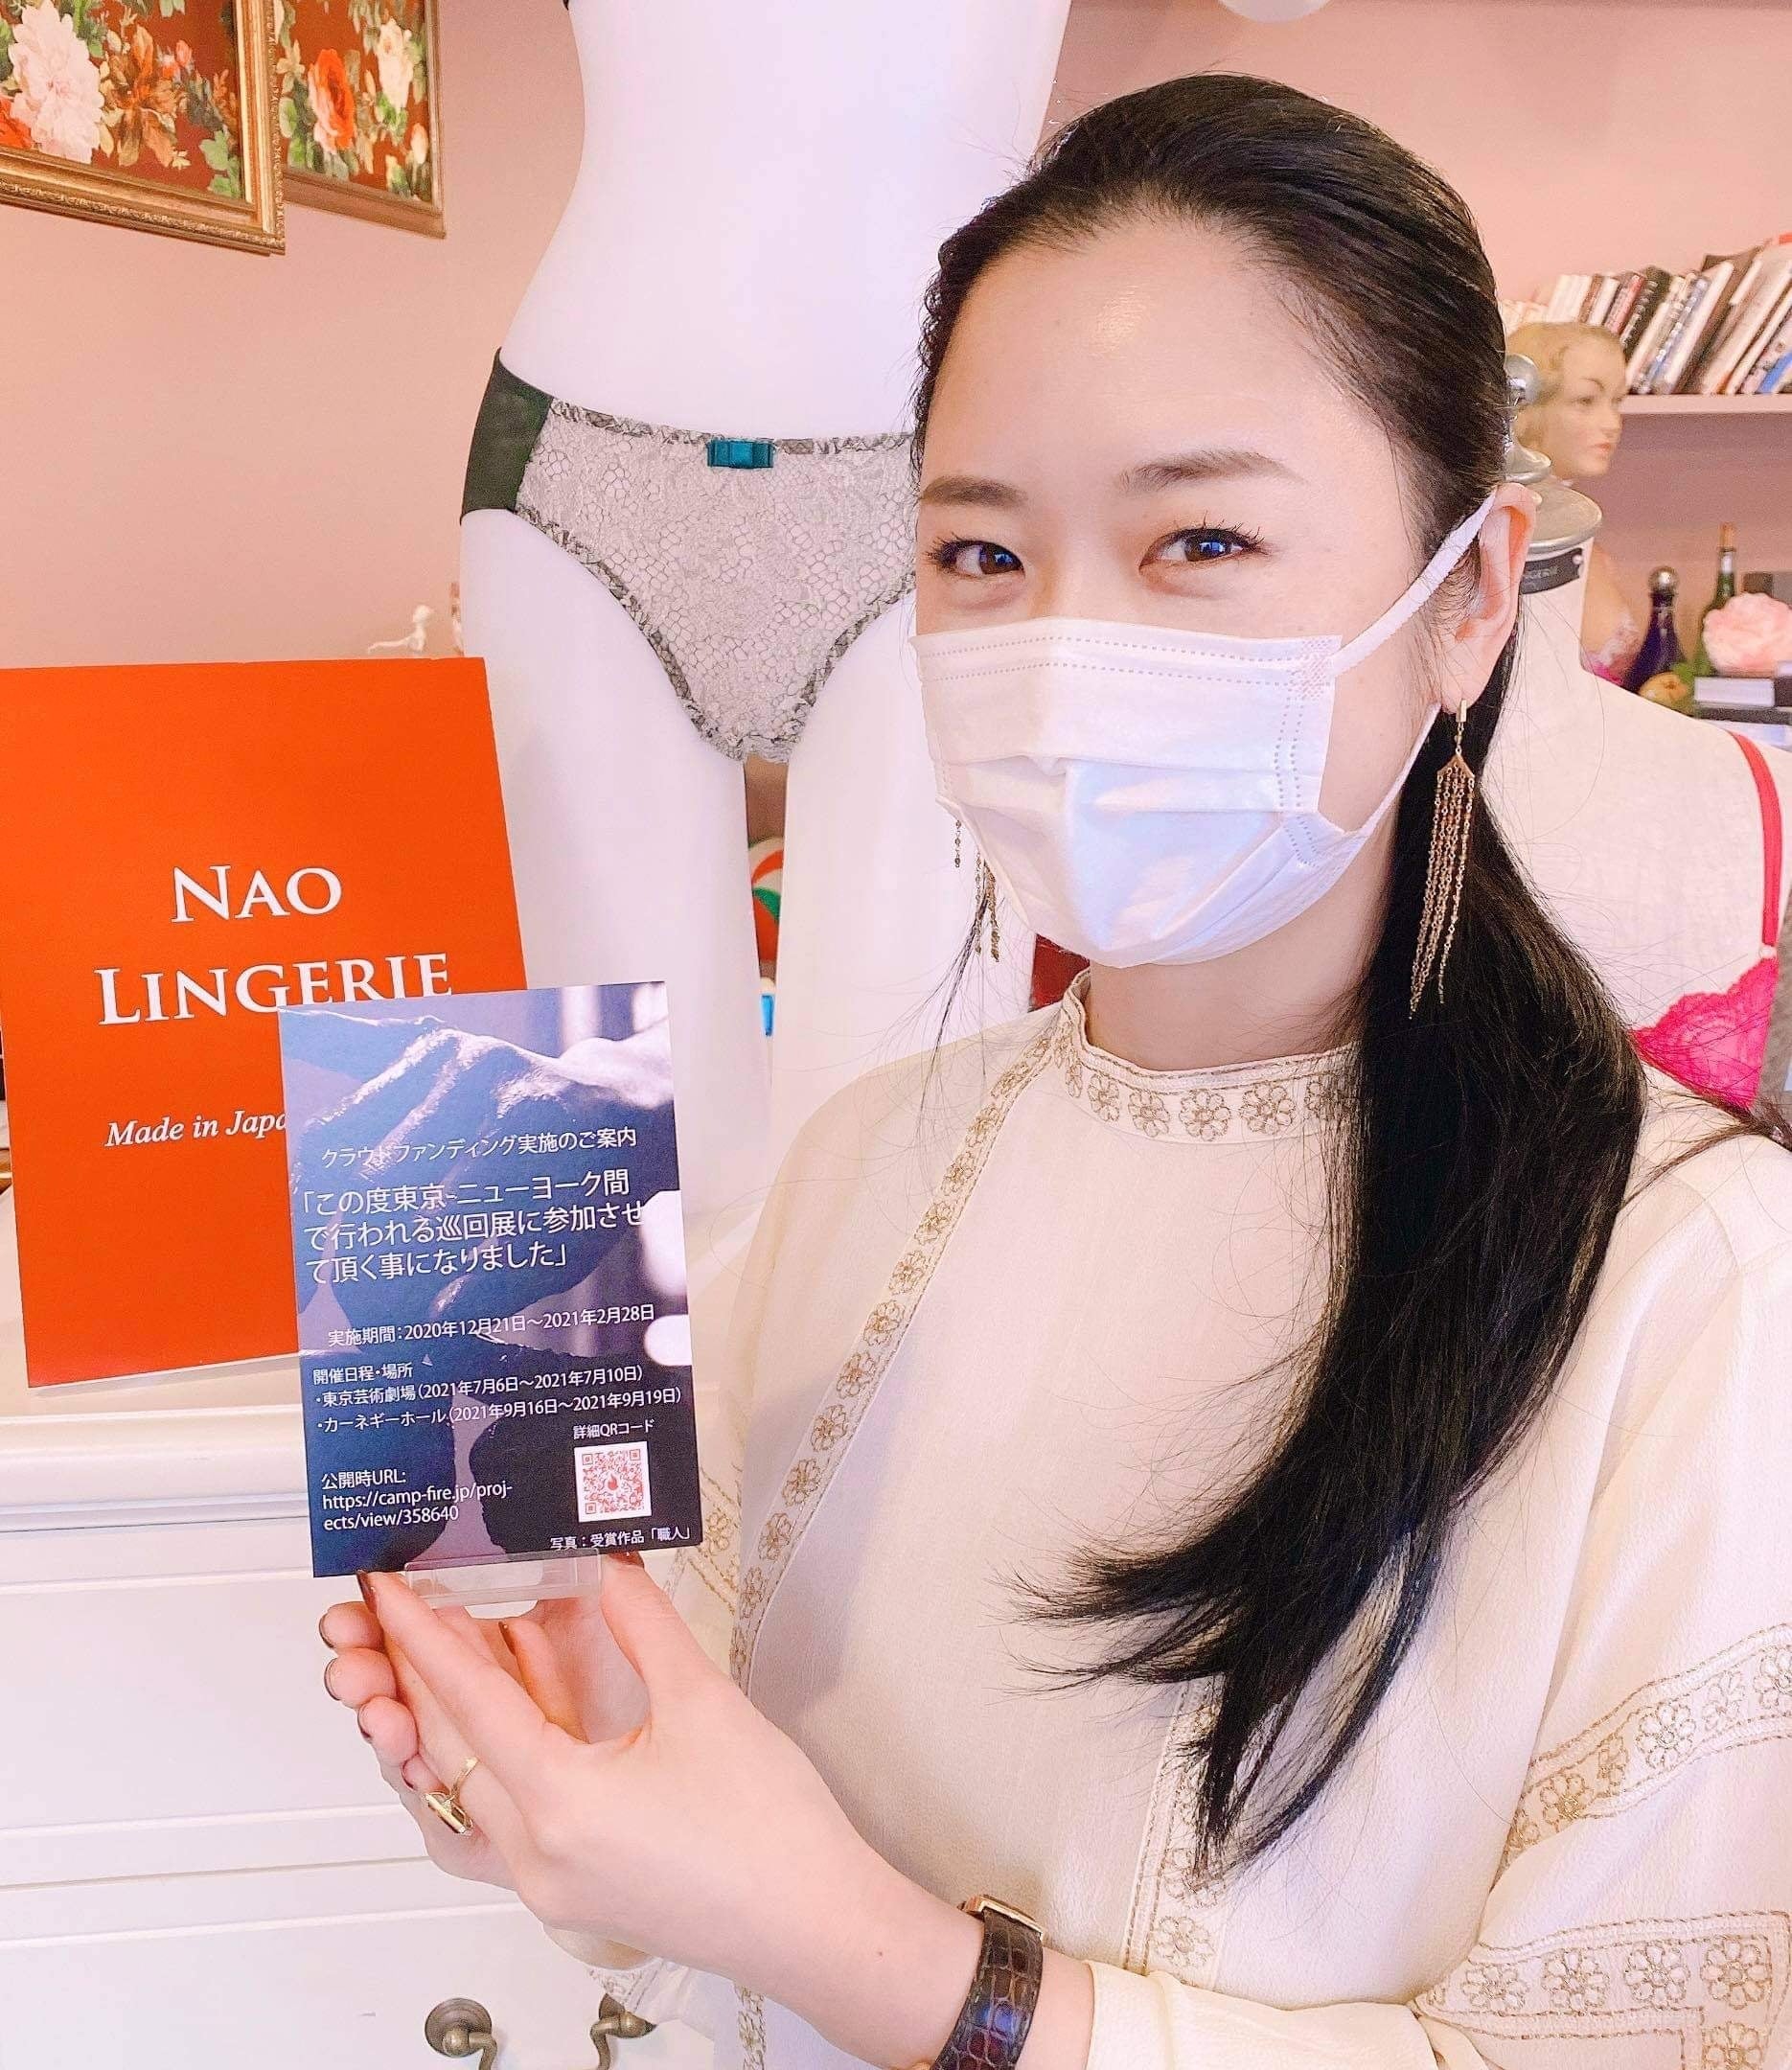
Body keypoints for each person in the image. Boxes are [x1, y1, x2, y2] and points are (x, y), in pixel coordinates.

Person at [317, 76, 1792, 2070]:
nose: (1064, 647)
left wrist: (883, 1959)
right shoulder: (861, 1171)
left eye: (1200, 537)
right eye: (979, 554)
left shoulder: (1696, 1289)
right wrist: (565, 1783)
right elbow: (698, 1881)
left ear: (1464, 598)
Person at [1505, 319, 1641, 684]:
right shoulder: (1502, 537)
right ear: (1527, 407)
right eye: (1585, 401)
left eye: (1617, 401)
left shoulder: (1586, 540)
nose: (1612, 423)